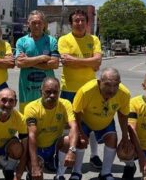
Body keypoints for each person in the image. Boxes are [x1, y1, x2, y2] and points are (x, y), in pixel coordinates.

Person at [58, 9, 103, 171]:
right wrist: (90, 62)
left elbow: (98, 61)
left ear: (87, 22)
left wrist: (77, 60)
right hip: (69, 89)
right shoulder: (64, 40)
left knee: (89, 125)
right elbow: (67, 62)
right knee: (68, 125)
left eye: (82, 20)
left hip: (90, 90)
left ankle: (94, 155)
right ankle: (66, 153)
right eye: (76, 21)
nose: (79, 23)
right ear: (71, 24)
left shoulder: (94, 39)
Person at [72, 68, 133, 180]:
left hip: (106, 121)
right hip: (85, 120)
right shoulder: (86, 91)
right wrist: (80, 132)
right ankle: (76, 172)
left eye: (116, 85)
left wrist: (125, 136)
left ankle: (105, 172)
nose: (112, 90)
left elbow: (123, 115)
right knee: (80, 141)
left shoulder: (124, 93)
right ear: (99, 82)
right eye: (108, 85)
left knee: (112, 138)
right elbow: (76, 112)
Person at [24, 77, 78, 180]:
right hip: (37, 148)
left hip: (54, 147)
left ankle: (60, 175)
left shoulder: (65, 104)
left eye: (55, 92)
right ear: (41, 92)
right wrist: (34, 165)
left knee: (68, 140)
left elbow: (74, 126)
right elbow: (32, 136)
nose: (52, 95)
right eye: (48, 92)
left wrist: (72, 151)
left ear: (59, 92)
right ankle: (32, 169)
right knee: (37, 176)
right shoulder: (31, 108)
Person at [15, 10, 59, 113]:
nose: (37, 25)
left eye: (39, 22)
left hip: (48, 91)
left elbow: (55, 64)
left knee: (47, 119)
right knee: (27, 120)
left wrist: (29, 61)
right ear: (28, 24)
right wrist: (43, 58)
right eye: (33, 23)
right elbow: (19, 63)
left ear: (44, 24)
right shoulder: (21, 41)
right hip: (27, 89)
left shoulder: (51, 41)